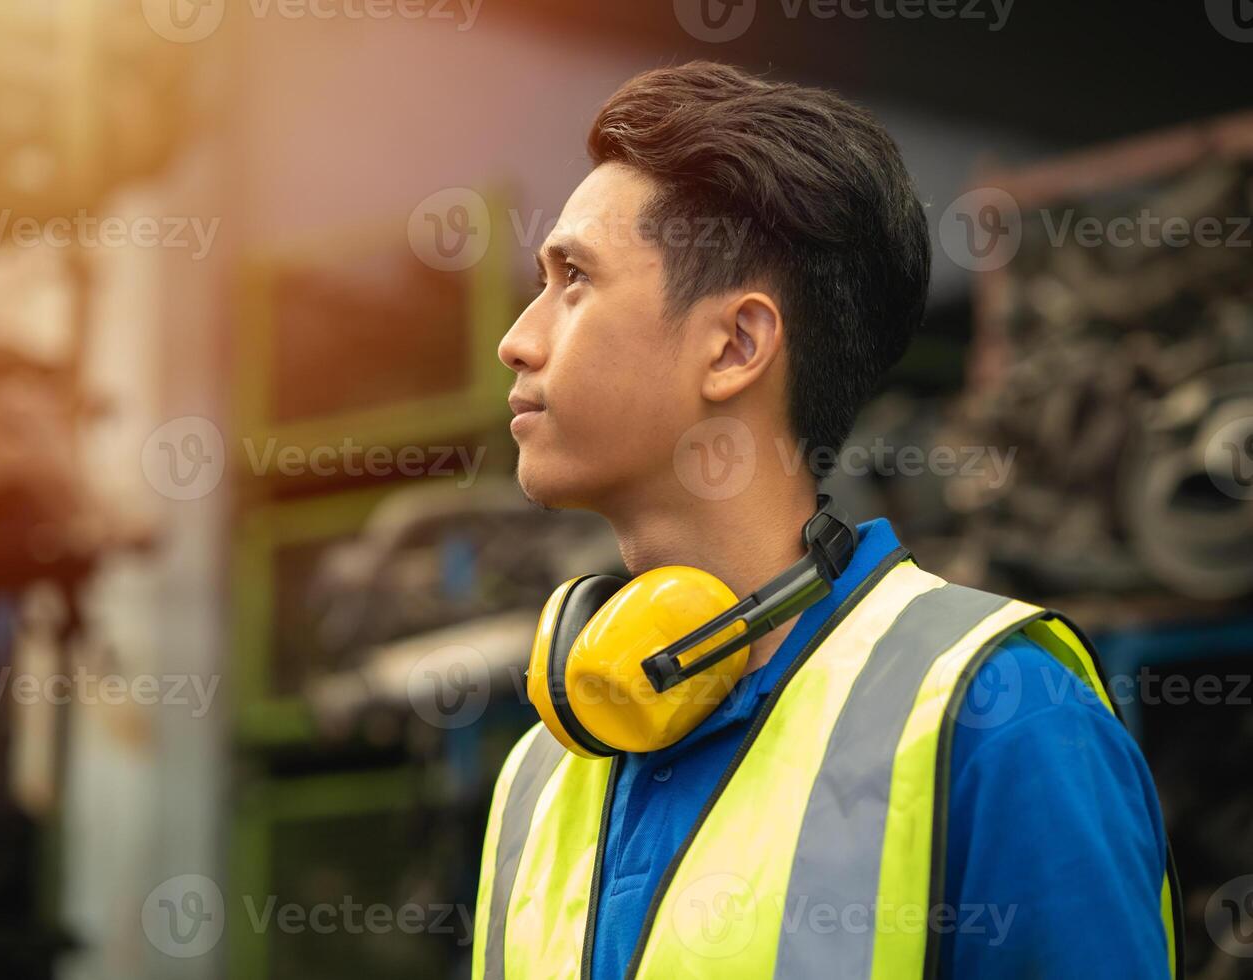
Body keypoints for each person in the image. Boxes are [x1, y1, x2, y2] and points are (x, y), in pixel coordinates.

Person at [472, 61, 1180, 979]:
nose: (517, 338)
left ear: (735, 345)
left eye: (574, 280)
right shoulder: (540, 773)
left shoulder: (1002, 717)